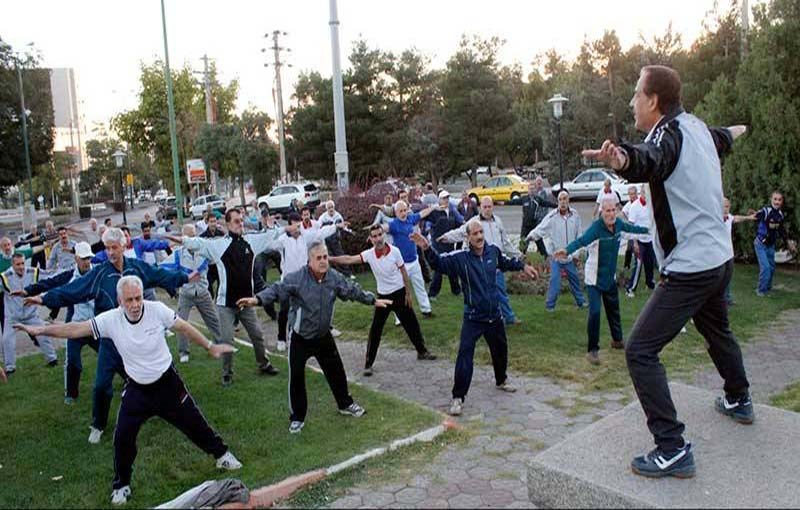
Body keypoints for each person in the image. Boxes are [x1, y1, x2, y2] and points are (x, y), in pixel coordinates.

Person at [582, 64, 749, 478]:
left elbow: (651, 160)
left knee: (639, 350)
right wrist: (737, 130)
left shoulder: (665, 135)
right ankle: (738, 397)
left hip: (691, 266)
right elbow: (721, 137)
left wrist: (621, 158)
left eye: (636, 95)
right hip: (718, 261)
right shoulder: (696, 128)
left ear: (653, 101)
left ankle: (671, 446)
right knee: (717, 330)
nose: (632, 102)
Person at [15, 275, 241, 506]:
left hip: (167, 383)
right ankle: (121, 485)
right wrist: (40, 330)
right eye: (129, 300)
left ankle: (222, 455)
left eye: (138, 298)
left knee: (194, 423)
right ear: (119, 300)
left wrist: (209, 346)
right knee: (123, 438)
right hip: (137, 390)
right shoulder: (110, 320)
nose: (134, 305)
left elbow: (183, 326)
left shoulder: (157, 310)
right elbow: (75, 329)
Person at [25, 227, 194, 444]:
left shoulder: (136, 268)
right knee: (101, 385)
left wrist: (184, 277)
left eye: (114, 247)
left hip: (136, 336)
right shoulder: (100, 273)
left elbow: (160, 275)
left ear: (123, 247)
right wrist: (42, 299)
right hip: (110, 339)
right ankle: (98, 424)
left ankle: (168, 407)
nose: (111, 252)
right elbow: (73, 290)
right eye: (107, 248)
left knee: (153, 375)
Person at [238, 241, 391, 434]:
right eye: (318, 258)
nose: (323, 261)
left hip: (323, 335)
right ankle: (297, 418)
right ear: (309, 260)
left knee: (336, 371)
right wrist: (256, 300)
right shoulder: (297, 278)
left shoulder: (333, 277)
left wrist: (373, 300)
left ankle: (345, 405)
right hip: (300, 337)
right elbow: (277, 289)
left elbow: (351, 290)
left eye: (325, 257)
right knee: (296, 378)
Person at [413, 222, 538, 416]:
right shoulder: (461, 259)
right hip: (473, 317)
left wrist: (523, 266)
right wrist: (427, 248)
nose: (480, 236)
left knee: (500, 350)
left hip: (494, 315)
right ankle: (458, 398)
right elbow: (439, 264)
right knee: (465, 356)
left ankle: (501, 380)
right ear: (468, 237)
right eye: (475, 233)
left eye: (481, 232)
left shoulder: (493, 252)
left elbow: (506, 263)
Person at [169, 208, 282, 386]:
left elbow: (271, 235)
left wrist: (286, 228)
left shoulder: (251, 241)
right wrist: (180, 239)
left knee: (257, 335)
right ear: (228, 224)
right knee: (227, 340)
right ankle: (227, 373)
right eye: (236, 221)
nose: (240, 224)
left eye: (241, 221)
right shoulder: (219, 244)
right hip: (226, 305)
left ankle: (263, 363)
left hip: (246, 303)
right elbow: (197, 243)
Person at [329, 224, 437, 375]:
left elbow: (404, 271)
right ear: (371, 239)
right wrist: (329, 258)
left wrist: (408, 293)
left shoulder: (395, 251)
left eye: (380, 235)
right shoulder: (369, 254)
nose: (378, 238)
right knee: (375, 330)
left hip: (400, 294)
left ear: (383, 235)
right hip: (383, 298)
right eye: (374, 236)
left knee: (412, 324)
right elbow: (349, 259)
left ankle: (422, 351)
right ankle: (368, 364)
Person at [554, 199, 649, 364]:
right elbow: (581, 241)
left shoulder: (619, 224)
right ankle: (592, 350)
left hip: (609, 278)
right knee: (595, 313)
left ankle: (617, 340)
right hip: (594, 278)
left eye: (613, 210)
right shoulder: (596, 229)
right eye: (608, 211)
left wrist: (652, 230)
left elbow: (633, 230)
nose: (611, 214)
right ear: (602, 212)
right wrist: (567, 250)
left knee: (614, 310)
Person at [21, 242, 97, 403]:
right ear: (76, 258)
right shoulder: (69, 276)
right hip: (75, 326)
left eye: (88, 258)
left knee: (112, 354)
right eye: (83, 258)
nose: (86, 262)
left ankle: (129, 380)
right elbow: (49, 283)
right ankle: (71, 394)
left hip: (96, 325)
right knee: (73, 363)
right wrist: (28, 291)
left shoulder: (98, 272)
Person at [263, 212, 346, 351]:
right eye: (295, 225)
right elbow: (268, 245)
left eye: (299, 224)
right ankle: (281, 339)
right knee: (284, 310)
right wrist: (271, 228)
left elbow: (320, 234)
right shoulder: (282, 240)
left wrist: (335, 227)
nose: (297, 227)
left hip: (304, 281)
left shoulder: (305, 237)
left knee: (312, 306)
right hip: (288, 281)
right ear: (289, 226)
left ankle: (325, 329)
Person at [439, 196, 523, 326]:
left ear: (492, 207)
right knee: (482, 295)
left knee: (500, 292)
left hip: (496, 263)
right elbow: (461, 233)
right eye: (485, 207)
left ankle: (508, 318)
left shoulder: (498, 222)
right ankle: (482, 319)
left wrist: (518, 254)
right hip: (480, 264)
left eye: (489, 207)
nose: (487, 209)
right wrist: (446, 237)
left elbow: (505, 242)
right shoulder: (474, 222)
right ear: (480, 207)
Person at [159, 224, 223, 364]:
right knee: (181, 322)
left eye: (194, 235)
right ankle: (183, 352)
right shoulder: (178, 254)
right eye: (188, 236)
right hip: (185, 294)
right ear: (183, 237)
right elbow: (162, 267)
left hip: (203, 293)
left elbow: (219, 254)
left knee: (214, 320)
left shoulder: (205, 251)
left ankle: (219, 346)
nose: (192, 239)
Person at [527, 190, 585, 311]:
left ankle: (581, 302)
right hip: (556, 256)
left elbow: (579, 236)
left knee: (574, 279)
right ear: (557, 201)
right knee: (555, 281)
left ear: (568, 200)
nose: (563, 202)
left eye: (565, 199)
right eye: (560, 199)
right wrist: (531, 236)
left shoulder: (575, 215)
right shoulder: (552, 216)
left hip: (569, 256)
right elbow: (541, 228)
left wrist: (576, 254)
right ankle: (550, 306)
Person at [0, 254, 59, 373]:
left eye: (22, 263)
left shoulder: (33, 272)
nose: (21, 267)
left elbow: (50, 276)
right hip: (12, 317)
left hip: (31, 315)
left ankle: (52, 360)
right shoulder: (5, 277)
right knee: (7, 340)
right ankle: (10, 368)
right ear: (12, 265)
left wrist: (61, 270)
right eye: (18, 264)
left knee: (43, 333)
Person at [383, 200, 436, 318]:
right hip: (402, 265)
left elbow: (422, 214)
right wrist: (376, 230)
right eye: (400, 211)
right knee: (399, 291)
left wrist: (433, 207)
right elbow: (384, 228)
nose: (403, 213)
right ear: (396, 213)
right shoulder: (394, 224)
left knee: (420, 286)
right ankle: (399, 318)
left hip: (414, 261)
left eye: (405, 210)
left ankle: (426, 310)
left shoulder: (410, 219)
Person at [740, 191, 796, 296]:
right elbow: (759, 215)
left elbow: (782, 231)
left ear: (782, 202)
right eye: (775, 199)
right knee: (765, 268)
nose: (777, 201)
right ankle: (760, 290)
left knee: (771, 267)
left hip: (771, 246)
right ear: (771, 200)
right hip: (760, 244)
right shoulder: (766, 211)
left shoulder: (780, 215)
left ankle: (767, 289)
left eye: (779, 200)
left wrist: (788, 242)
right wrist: (754, 213)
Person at [425, 190, 464, 298]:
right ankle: (432, 294)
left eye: (447, 198)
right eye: (444, 198)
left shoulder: (452, 210)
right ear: (439, 200)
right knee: (438, 270)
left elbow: (459, 221)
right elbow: (427, 221)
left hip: (450, 244)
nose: (446, 200)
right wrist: (428, 229)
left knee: (452, 266)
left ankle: (456, 290)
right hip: (438, 244)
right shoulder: (435, 211)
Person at [622, 185, 656, 298]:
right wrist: (635, 243)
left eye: (648, 192)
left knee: (650, 263)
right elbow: (631, 227)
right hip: (639, 240)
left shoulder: (651, 204)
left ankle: (650, 284)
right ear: (640, 192)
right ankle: (630, 288)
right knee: (638, 265)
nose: (646, 195)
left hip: (650, 239)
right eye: (644, 192)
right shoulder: (634, 207)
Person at [520, 177, 557, 256]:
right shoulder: (524, 199)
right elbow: (514, 202)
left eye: (533, 189)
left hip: (535, 224)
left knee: (540, 243)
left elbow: (547, 203)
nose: (532, 190)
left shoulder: (538, 199)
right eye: (530, 189)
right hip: (525, 226)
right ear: (528, 190)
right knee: (523, 244)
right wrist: (503, 202)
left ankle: (545, 257)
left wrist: (557, 206)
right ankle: (521, 258)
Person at [318, 200, 353, 277]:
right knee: (329, 258)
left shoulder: (338, 216)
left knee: (340, 255)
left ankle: (348, 273)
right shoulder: (322, 217)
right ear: (326, 209)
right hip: (326, 241)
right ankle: (333, 275)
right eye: (329, 208)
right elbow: (318, 228)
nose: (331, 209)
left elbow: (343, 226)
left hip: (335, 240)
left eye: (332, 207)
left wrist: (350, 231)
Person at [199, 214, 226, 297]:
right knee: (208, 284)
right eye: (211, 222)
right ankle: (210, 298)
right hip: (209, 264)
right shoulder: (203, 236)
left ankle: (218, 299)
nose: (213, 224)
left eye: (215, 221)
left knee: (221, 283)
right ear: (207, 223)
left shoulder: (221, 234)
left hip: (218, 263)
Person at [621, 186, 639, 276]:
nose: (632, 196)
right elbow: (623, 212)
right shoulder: (628, 205)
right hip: (632, 229)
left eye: (633, 194)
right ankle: (627, 264)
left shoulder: (639, 203)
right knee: (629, 247)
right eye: (630, 194)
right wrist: (629, 220)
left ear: (636, 193)